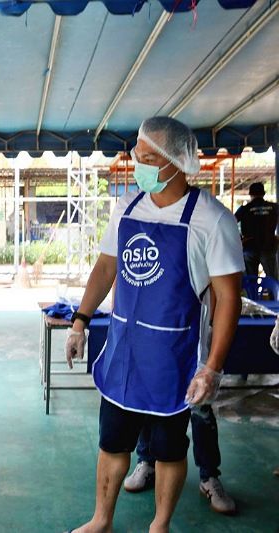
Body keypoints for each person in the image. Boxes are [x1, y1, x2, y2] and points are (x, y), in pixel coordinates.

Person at [64, 117, 243, 532]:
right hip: (124, 352)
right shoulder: (126, 208)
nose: (137, 165)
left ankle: (159, 525)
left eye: (146, 159)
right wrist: (80, 321)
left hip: (174, 360)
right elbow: (106, 267)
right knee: (111, 443)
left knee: (168, 449)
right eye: (136, 157)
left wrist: (212, 367)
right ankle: (101, 519)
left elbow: (229, 300)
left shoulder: (212, 221)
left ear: (177, 163)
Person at [234, 182, 278, 279]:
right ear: (264, 193)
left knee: (251, 281)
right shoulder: (275, 208)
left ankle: (253, 294)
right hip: (268, 247)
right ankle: (274, 294)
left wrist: (239, 239)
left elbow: (231, 223)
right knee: (272, 279)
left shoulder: (244, 209)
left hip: (249, 247)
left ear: (250, 194)